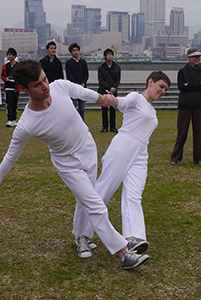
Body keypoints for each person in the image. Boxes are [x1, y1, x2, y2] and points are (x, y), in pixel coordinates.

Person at [0, 59, 149, 270]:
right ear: (23, 89)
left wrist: (104, 99)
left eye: (44, 79)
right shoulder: (26, 125)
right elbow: (9, 159)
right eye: (37, 84)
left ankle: (81, 237)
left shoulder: (59, 86)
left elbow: (84, 93)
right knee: (95, 204)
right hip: (66, 164)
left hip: (88, 149)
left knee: (85, 200)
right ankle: (124, 252)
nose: (45, 86)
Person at [82, 71, 171, 253]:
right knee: (103, 191)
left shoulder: (152, 110)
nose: (163, 91)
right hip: (122, 147)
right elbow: (120, 103)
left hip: (140, 153)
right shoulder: (135, 98)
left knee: (133, 195)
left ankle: (133, 238)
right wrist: (111, 100)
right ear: (150, 81)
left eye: (166, 90)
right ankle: (83, 235)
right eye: (161, 86)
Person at [171, 47, 201, 165]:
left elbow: (186, 86)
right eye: (195, 57)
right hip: (184, 106)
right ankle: (176, 158)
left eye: (198, 57)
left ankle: (198, 158)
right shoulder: (182, 71)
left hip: (198, 106)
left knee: (199, 133)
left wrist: (189, 85)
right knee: (182, 133)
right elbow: (181, 87)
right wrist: (197, 86)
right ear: (188, 58)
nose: (197, 59)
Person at [98, 48, 121, 133]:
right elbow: (101, 80)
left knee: (113, 109)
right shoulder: (101, 68)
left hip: (113, 91)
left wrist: (114, 88)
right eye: (108, 54)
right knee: (104, 109)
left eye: (111, 54)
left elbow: (118, 79)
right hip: (104, 90)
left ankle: (113, 127)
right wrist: (109, 88)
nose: (110, 56)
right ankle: (104, 127)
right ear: (105, 56)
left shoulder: (117, 67)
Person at [65, 43, 89, 120]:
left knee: (82, 108)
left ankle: (82, 124)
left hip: (82, 88)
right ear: (71, 52)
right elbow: (69, 76)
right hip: (73, 89)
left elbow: (86, 74)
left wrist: (83, 83)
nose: (75, 52)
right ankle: (73, 124)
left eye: (77, 50)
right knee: (73, 108)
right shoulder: (69, 63)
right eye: (73, 50)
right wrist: (76, 84)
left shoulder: (83, 62)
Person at [1, 48, 20, 127]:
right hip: (8, 87)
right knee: (9, 103)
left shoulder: (18, 66)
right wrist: (6, 79)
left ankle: (14, 119)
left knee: (15, 103)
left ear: (14, 56)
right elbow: (2, 75)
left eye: (10, 55)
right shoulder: (5, 66)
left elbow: (21, 75)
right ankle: (9, 119)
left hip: (15, 88)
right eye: (8, 55)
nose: (8, 56)